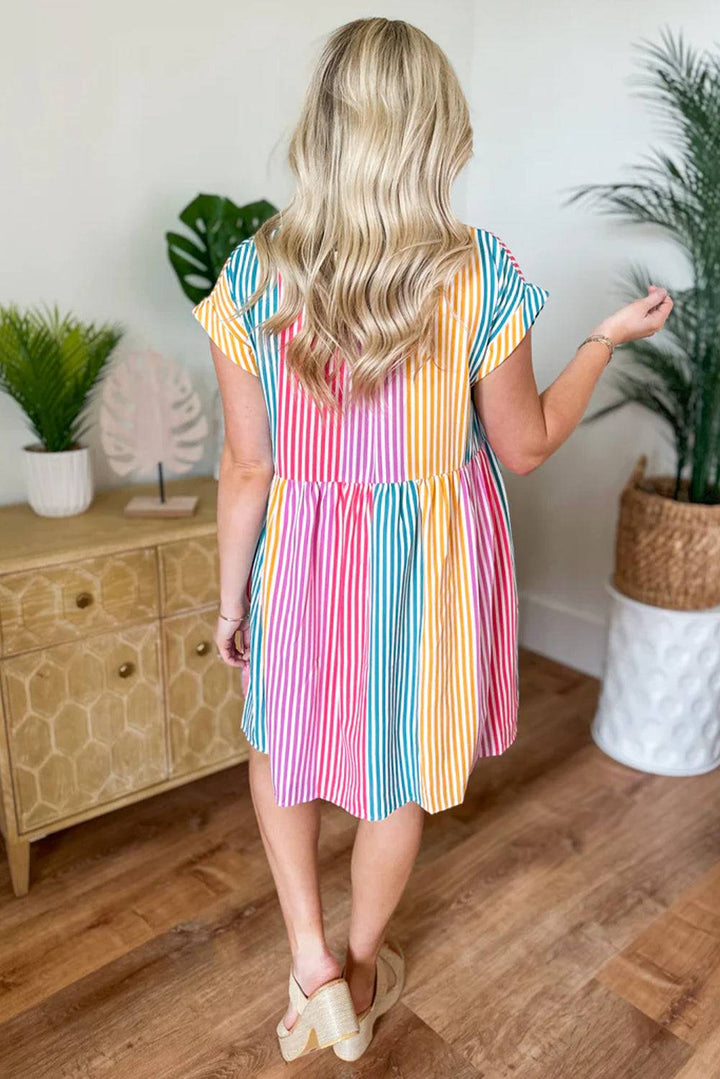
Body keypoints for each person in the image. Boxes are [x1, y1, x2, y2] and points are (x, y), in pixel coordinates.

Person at [191, 16, 673, 1064]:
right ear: (434, 134)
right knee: (395, 770)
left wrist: (231, 606)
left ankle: (312, 958)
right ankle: (359, 970)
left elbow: (245, 467)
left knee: (284, 744)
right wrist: (603, 340)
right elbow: (527, 445)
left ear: (323, 129)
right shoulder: (478, 270)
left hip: (306, 558)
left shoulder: (252, 274)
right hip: (428, 567)